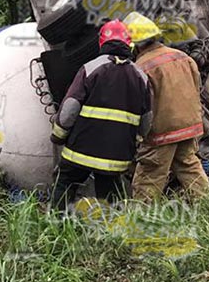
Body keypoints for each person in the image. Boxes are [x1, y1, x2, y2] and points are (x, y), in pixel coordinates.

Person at [49, 19, 152, 209]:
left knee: (65, 185)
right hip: (116, 156)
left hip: (79, 151)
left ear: (101, 42)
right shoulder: (141, 77)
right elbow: (146, 122)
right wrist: (134, 141)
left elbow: (69, 109)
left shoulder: (90, 68)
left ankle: (57, 227)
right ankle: (110, 234)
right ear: (128, 44)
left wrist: (58, 135)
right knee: (110, 197)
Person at [124, 11, 209, 200]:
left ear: (134, 44)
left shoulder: (141, 67)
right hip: (191, 126)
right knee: (190, 167)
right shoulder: (182, 57)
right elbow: (197, 88)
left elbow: (142, 105)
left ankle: (140, 221)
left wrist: (138, 135)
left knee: (149, 176)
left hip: (162, 133)